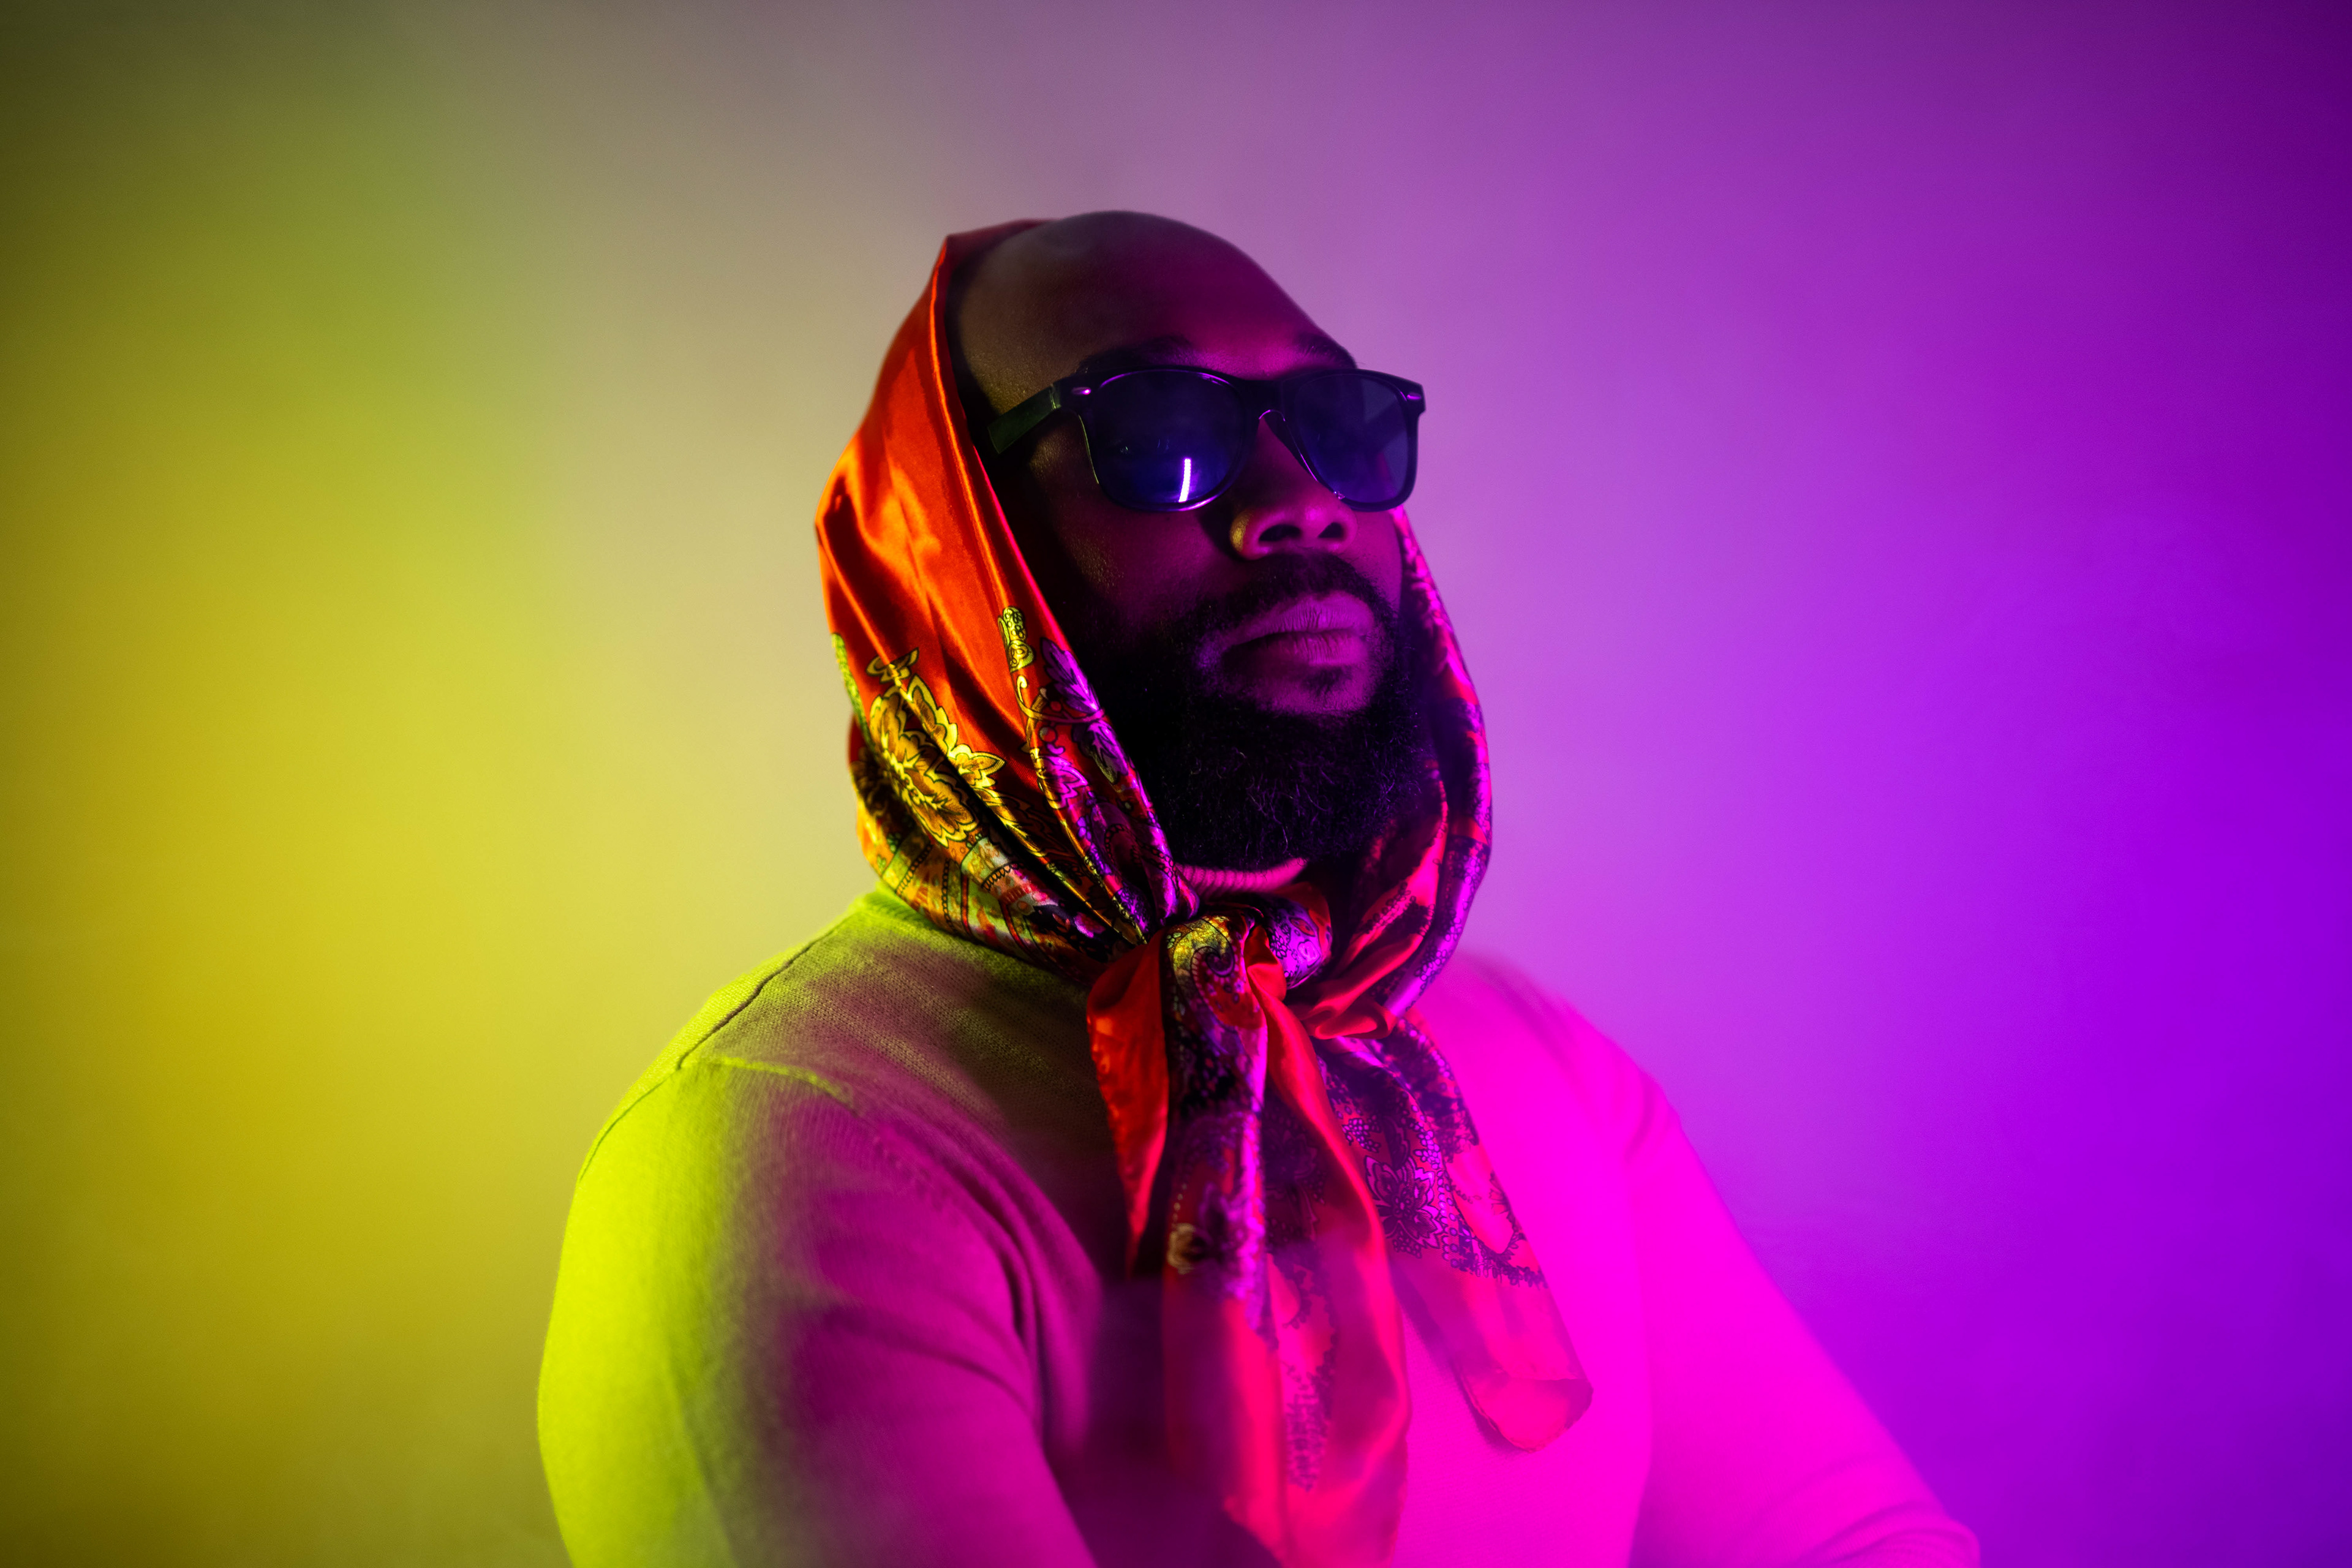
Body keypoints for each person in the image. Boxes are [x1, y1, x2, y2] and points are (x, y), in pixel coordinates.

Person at [537, 213, 1979, 1568]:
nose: (1299, 503)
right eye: (1164, 431)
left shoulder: (1539, 1065)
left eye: (1337, 425)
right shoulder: (783, 1160)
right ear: (952, 551)